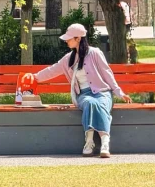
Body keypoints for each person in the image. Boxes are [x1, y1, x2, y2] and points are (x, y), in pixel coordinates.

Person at [31, 22, 130, 159]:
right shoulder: (68, 59)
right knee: (90, 102)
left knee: (99, 104)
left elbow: (107, 73)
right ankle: (90, 142)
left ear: (78, 38)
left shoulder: (95, 53)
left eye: (69, 38)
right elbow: (52, 70)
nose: (66, 41)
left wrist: (119, 92)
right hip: (83, 95)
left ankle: (104, 143)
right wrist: (34, 77)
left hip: (102, 92)